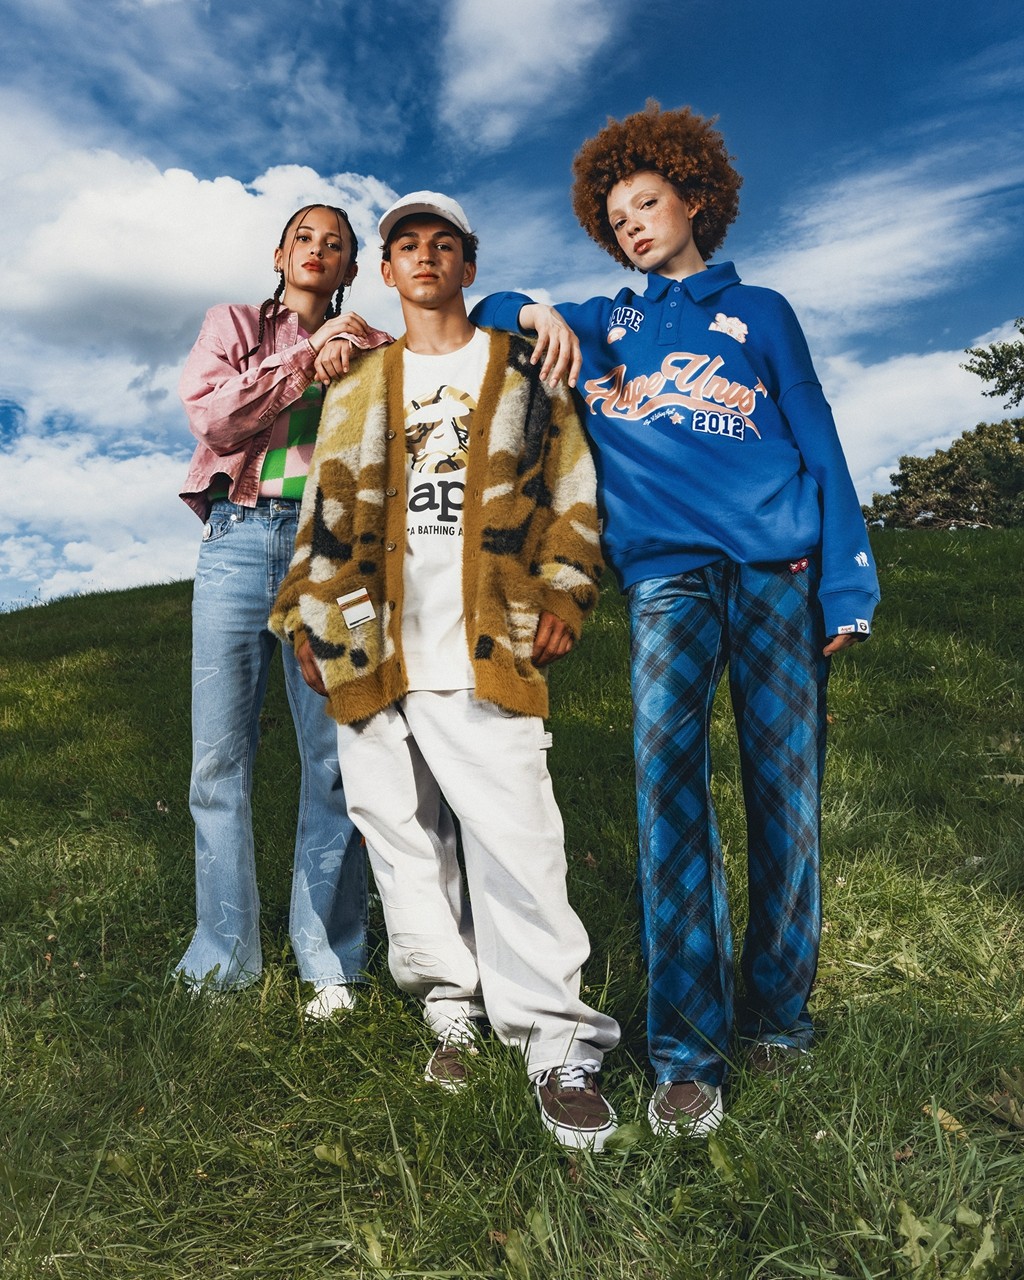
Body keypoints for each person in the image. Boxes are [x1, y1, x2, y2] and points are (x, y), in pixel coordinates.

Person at [471, 103, 881, 1136]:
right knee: (668, 798)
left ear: (694, 199)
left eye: (647, 204)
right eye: (616, 218)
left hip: (778, 571)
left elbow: (819, 438)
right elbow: (488, 308)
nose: (633, 226)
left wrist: (847, 579)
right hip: (666, 584)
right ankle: (687, 1050)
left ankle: (779, 1016)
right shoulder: (604, 322)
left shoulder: (762, 312)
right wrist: (538, 313)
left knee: (785, 798)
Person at [270, 192, 621, 1150]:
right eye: (407, 246)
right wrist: (300, 617)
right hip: (370, 642)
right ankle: (448, 1008)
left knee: (517, 836)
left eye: (443, 244)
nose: (425, 258)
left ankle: (558, 1041)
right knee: (399, 833)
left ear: (469, 263)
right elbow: (322, 514)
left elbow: (572, 489)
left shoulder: (523, 367)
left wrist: (564, 594)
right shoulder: (358, 382)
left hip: (486, 637)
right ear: (385, 271)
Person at [175, 203, 391, 1017]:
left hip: (332, 551)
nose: (318, 249)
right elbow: (217, 419)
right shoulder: (231, 325)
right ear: (279, 253)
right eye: (305, 237)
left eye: (336, 244)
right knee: (217, 762)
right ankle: (223, 957)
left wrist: (350, 348)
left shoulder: (375, 346)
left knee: (337, 758)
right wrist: (307, 354)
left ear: (350, 270)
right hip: (236, 540)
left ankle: (328, 960)